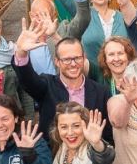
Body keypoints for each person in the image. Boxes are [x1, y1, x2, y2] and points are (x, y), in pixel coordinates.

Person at [12, 18, 113, 147]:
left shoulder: (101, 92)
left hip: (90, 159)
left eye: (77, 58)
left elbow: (108, 134)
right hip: (54, 158)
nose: (73, 64)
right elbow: (27, 80)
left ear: (84, 58)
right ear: (57, 62)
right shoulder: (46, 85)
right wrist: (21, 53)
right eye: (66, 59)